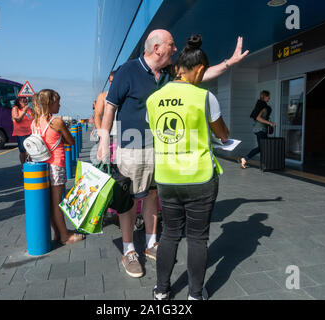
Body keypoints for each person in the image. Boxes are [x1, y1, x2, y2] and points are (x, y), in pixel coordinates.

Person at [97, 29, 248, 278]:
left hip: (160, 149)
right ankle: (128, 250)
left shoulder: (168, 73)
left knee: (153, 197)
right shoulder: (127, 70)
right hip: (131, 148)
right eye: (171, 44)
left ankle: (151, 243)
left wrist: (228, 63)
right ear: (157, 48)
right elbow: (110, 107)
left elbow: (200, 74)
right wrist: (103, 139)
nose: (175, 49)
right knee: (129, 202)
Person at [146, 34, 229, 300]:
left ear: (176, 67)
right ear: (200, 70)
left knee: (169, 234)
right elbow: (223, 135)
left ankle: (161, 291)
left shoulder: (153, 100)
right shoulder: (205, 98)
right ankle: (195, 294)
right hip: (200, 177)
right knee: (197, 238)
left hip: (167, 178)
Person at [31, 89, 85, 245]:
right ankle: (65, 236)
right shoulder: (56, 122)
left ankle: (58, 232)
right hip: (56, 164)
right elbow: (71, 141)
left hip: (42, 166)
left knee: (49, 202)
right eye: (57, 102)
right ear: (50, 104)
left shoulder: (34, 122)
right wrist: (60, 140)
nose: (60, 105)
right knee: (57, 202)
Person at [239, 90, 275, 169]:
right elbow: (258, 118)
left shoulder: (263, 105)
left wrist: (269, 123)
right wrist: (269, 123)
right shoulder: (262, 105)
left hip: (261, 129)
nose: (269, 97)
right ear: (264, 96)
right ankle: (245, 159)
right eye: (268, 96)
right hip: (260, 129)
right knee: (262, 147)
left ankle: (263, 164)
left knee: (263, 147)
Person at [11, 96, 34, 164]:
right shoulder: (15, 109)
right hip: (21, 133)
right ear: (19, 102)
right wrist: (24, 111)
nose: (25, 102)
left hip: (30, 132)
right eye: (23, 101)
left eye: (26, 101)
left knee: (31, 150)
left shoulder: (29, 109)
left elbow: (33, 119)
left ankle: (30, 164)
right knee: (22, 150)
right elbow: (17, 120)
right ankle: (23, 165)